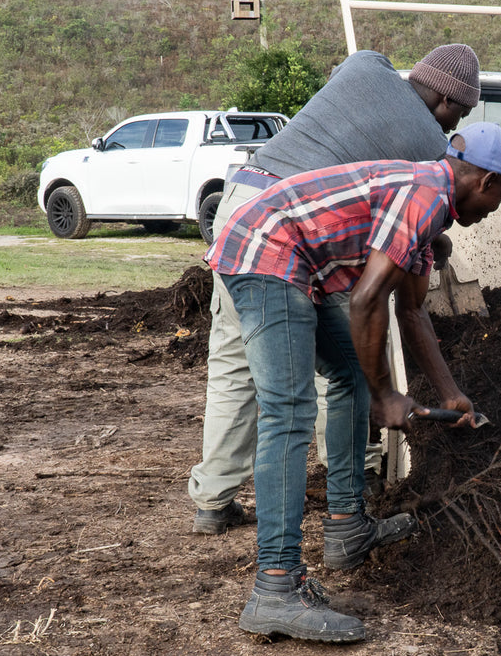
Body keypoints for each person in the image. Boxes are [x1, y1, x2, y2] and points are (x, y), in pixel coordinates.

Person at [207, 121, 501, 642]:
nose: (495, 209)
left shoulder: (428, 212)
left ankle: (347, 528)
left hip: (294, 261)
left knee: (350, 373)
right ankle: (276, 587)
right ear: (487, 182)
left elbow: (414, 311)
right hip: (266, 252)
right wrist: (386, 396)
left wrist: (450, 393)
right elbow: (366, 300)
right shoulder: (425, 194)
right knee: (289, 412)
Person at [188, 44, 481, 534]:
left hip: (242, 201)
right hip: (300, 229)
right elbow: (404, 251)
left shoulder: (368, 64)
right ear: (449, 104)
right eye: (460, 116)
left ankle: (213, 500)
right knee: (344, 358)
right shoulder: (431, 144)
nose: (451, 130)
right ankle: (356, 479)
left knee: (234, 356)